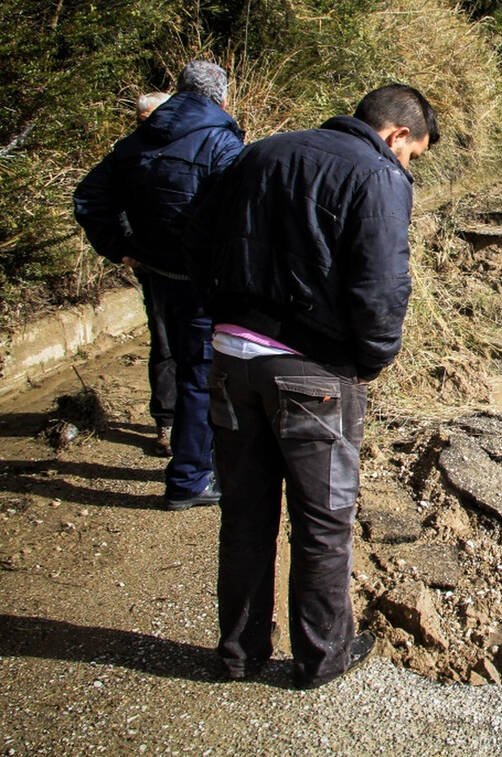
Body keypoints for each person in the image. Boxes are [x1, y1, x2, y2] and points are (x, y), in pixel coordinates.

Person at [183, 84, 438, 689]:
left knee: (244, 515)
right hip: (312, 371)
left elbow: (196, 235)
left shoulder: (260, 153)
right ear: (396, 134)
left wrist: (219, 314)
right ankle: (321, 658)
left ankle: (240, 654)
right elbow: (380, 288)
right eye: (413, 155)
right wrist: (371, 360)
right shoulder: (377, 175)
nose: (407, 167)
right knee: (322, 522)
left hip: (229, 356)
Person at [74, 62, 244, 507]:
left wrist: (119, 246)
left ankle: (185, 457)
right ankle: (190, 479)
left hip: (156, 274)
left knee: (173, 357)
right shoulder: (221, 142)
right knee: (201, 374)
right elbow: (238, 216)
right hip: (204, 281)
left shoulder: (134, 142)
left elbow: (89, 197)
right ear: (222, 100)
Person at [133, 91, 175, 456]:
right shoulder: (131, 152)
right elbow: (101, 198)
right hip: (154, 267)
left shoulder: (194, 145)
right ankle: (166, 422)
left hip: (195, 268)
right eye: (142, 118)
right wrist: (122, 246)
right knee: (164, 343)